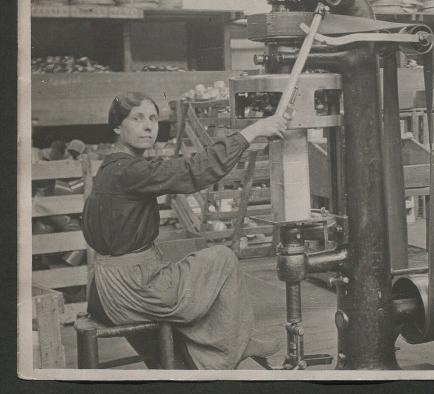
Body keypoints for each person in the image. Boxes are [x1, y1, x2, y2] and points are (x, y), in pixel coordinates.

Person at [82, 91, 288, 369]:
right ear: (118, 127)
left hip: (105, 288)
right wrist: (253, 131)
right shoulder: (128, 171)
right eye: (137, 118)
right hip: (129, 289)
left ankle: (213, 350)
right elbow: (193, 171)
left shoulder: (113, 166)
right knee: (222, 258)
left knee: (196, 270)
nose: (148, 126)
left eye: (153, 118)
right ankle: (236, 344)